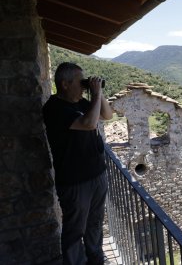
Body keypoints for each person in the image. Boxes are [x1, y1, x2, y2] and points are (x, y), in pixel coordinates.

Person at [43, 62, 113, 265]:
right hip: (75, 181)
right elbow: (89, 124)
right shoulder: (54, 108)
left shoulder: (82, 103)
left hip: (97, 174)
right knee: (75, 230)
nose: (83, 86)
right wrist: (96, 94)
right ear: (65, 84)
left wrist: (97, 92)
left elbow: (107, 115)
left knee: (95, 223)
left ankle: (96, 259)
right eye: (80, 82)